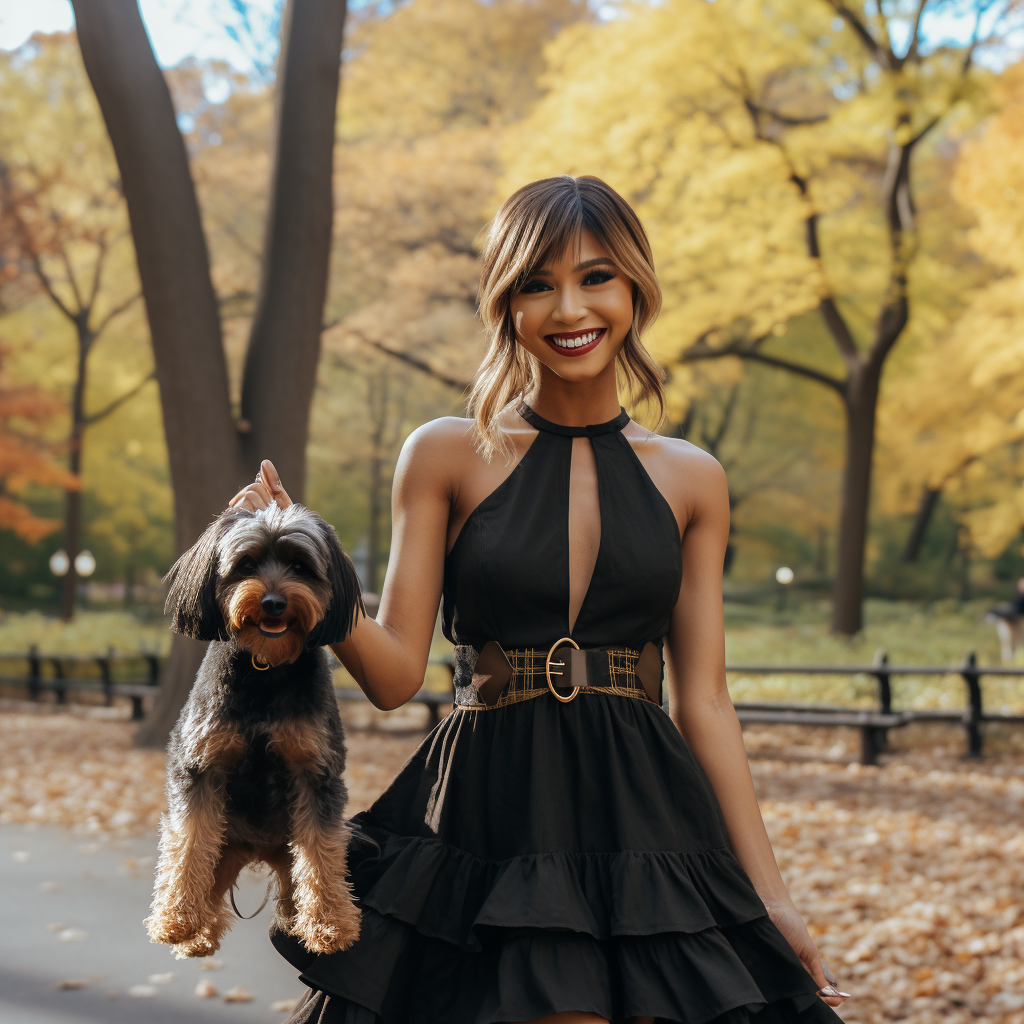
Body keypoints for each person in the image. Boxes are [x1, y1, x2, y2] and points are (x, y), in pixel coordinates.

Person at [229, 176, 850, 1024]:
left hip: (644, 816)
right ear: (506, 303)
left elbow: (704, 698)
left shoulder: (693, 477)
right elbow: (395, 674)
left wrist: (770, 895)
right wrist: (314, 575)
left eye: (595, 277)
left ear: (635, 289)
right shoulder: (445, 454)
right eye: (536, 283)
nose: (568, 308)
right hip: (490, 809)